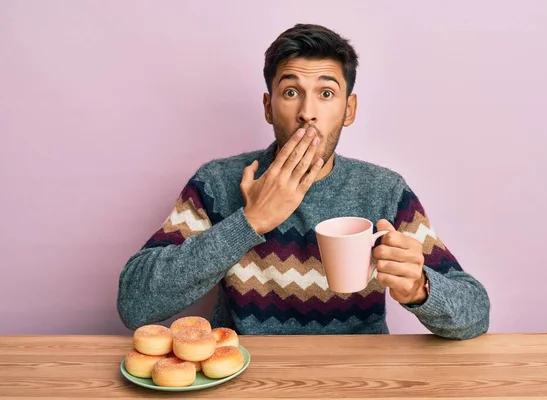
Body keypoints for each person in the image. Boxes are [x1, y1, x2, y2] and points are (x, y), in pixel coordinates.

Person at [117, 23, 490, 340]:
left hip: (357, 381)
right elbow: (135, 304)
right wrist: (250, 222)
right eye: (291, 92)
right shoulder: (217, 183)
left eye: (326, 94)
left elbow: (475, 312)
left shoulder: (383, 191)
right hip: (244, 375)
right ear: (268, 106)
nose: (307, 113)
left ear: (349, 110)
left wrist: (421, 289)